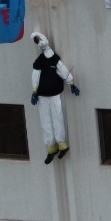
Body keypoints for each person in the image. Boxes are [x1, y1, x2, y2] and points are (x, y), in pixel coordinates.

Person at [30, 32, 80, 164]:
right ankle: (51, 147)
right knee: (45, 121)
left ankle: (62, 144)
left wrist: (71, 83)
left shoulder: (54, 60)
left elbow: (62, 70)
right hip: (42, 95)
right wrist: (34, 91)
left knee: (57, 117)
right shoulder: (39, 62)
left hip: (55, 93)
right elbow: (35, 76)